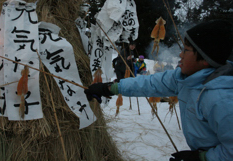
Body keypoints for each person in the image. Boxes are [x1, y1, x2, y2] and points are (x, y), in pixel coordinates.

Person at [85, 20, 233, 161]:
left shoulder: (222, 100)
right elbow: (150, 84)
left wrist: (202, 158)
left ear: (205, 59)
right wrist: (111, 88)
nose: (180, 55)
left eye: (186, 50)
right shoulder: (184, 78)